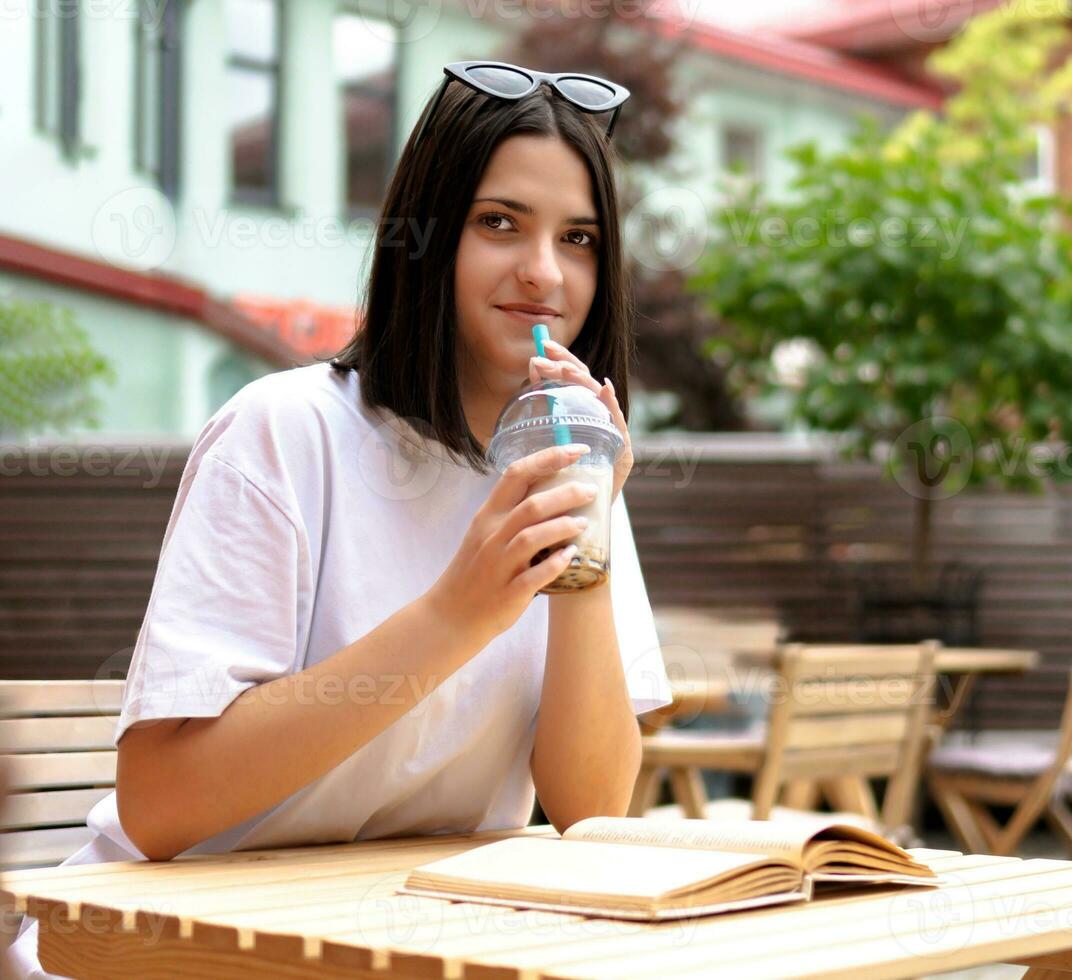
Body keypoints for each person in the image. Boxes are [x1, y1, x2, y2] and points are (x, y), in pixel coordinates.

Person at [5, 63, 671, 977]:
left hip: (398, 943)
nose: (545, 272)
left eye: (581, 237)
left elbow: (589, 809)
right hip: (167, 944)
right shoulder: (286, 432)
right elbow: (160, 805)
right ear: (426, 238)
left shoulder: (569, 462)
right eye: (498, 223)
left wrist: (583, 556)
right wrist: (459, 612)